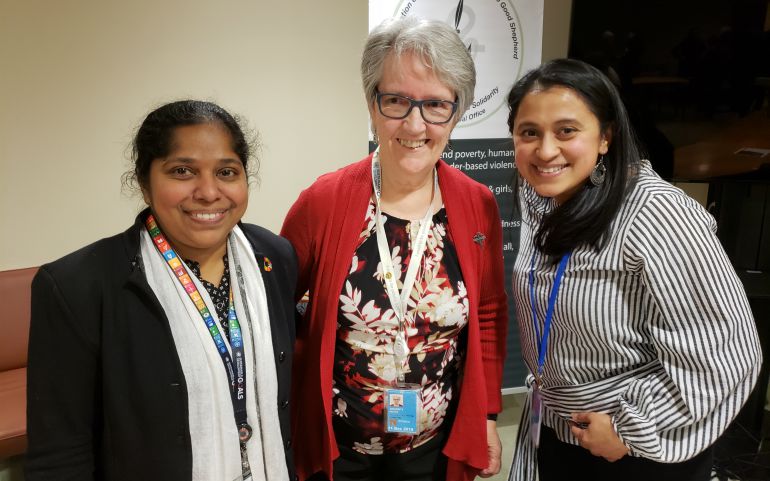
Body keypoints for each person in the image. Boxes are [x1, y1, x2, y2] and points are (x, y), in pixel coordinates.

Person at [505, 58, 762, 481]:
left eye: (566, 131)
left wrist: (630, 428)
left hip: (630, 454)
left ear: (605, 137)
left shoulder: (656, 213)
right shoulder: (544, 198)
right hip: (558, 434)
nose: (545, 150)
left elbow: (729, 353)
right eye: (529, 132)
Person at [281, 16, 508, 481]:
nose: (415, 123)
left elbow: (486, 313)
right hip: (339, 451)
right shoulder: (322, 203)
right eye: (397, 101)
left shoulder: (477, 205)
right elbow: (276, 313)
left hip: (433, 449)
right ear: (372, 104)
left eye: (436, 105)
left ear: (457, 111)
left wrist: (486, 417)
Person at [26, 100, 297, 481]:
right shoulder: (77, 286)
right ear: (144, 181)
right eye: (182, 171)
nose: (208, 192)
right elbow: (59, 455)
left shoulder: (273, 258)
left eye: (226, 171)